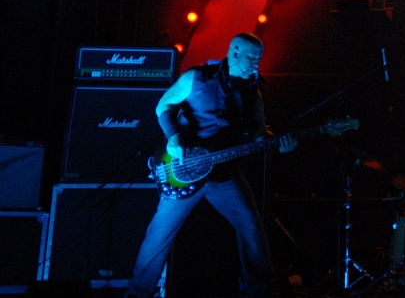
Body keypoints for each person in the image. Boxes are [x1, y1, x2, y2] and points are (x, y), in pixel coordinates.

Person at [124, 33, 297, 298]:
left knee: (251, 228)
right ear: (235, 52)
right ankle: (137, 294)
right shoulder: (197, 77)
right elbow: (163, 105)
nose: (256, 64)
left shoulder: (253, 92)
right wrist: (173, 138)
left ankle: (260, 293)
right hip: (183, 170)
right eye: (252, 57)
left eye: (259, 58)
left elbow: (259, 135)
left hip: (224, 174)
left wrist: (279, 142)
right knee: (158, 237)